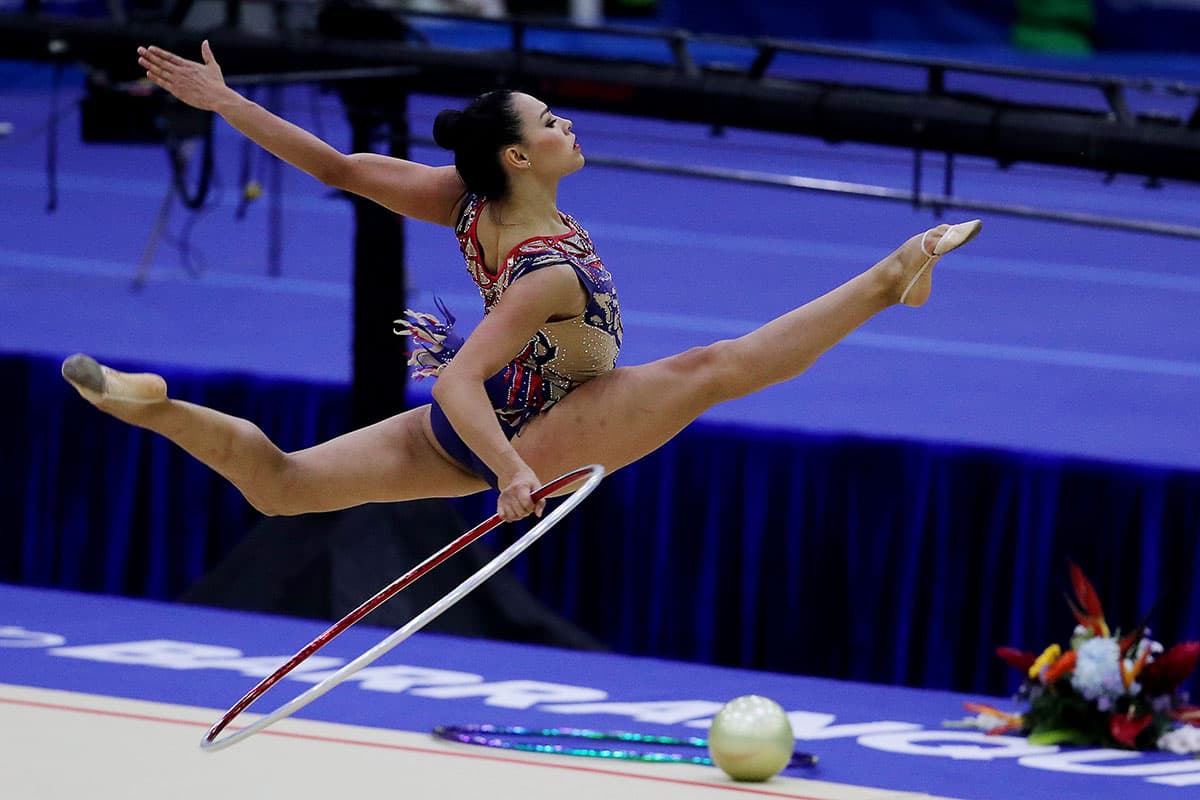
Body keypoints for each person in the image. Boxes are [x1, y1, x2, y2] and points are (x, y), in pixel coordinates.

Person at [62, 41, 982, 524]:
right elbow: (458, 378)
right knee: (719, 368)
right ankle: (893, 270)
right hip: (527, 422)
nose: (566, 122)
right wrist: (510, 474)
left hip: (479, 420)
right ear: (518, 154)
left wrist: (227, 102)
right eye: (550, 119)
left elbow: (338, 169)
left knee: (282, 485)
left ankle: (154, 408)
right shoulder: (543, 276)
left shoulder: (460, 198)